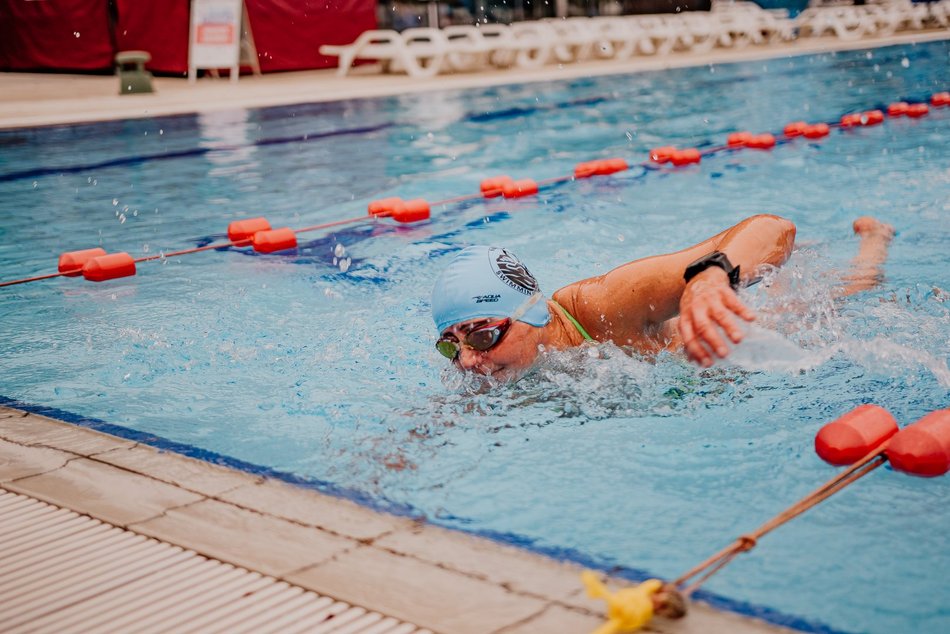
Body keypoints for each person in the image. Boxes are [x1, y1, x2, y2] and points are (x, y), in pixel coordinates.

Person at [431, 214, 894, 382]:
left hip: (735, 331)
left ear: (529, 312)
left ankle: (875, 241)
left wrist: (710, 279)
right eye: (453, 345)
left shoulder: (605, 305)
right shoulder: (498, 371)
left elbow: (775, 229)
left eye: (484, 334)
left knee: (843, 295)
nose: (470, 362)